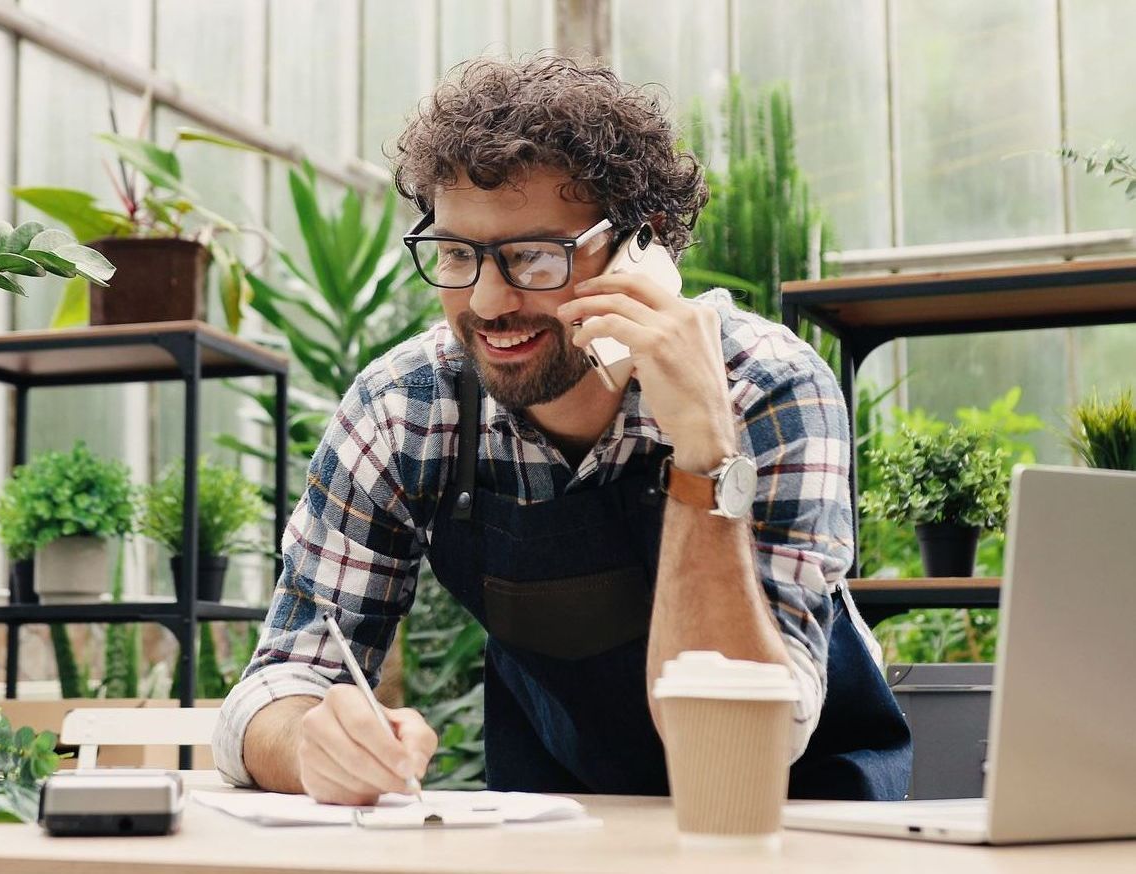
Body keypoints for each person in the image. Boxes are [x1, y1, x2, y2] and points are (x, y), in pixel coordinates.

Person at [214, 54, 910, 803]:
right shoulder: (406, 408)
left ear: (642, 248)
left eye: (533, 257)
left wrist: (704, 453)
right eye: (456, 255)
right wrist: (310, 743)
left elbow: (741, 743)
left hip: (796, 821)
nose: (485, 302)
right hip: (563, 823)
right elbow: (278, 684)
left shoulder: (765, 386)